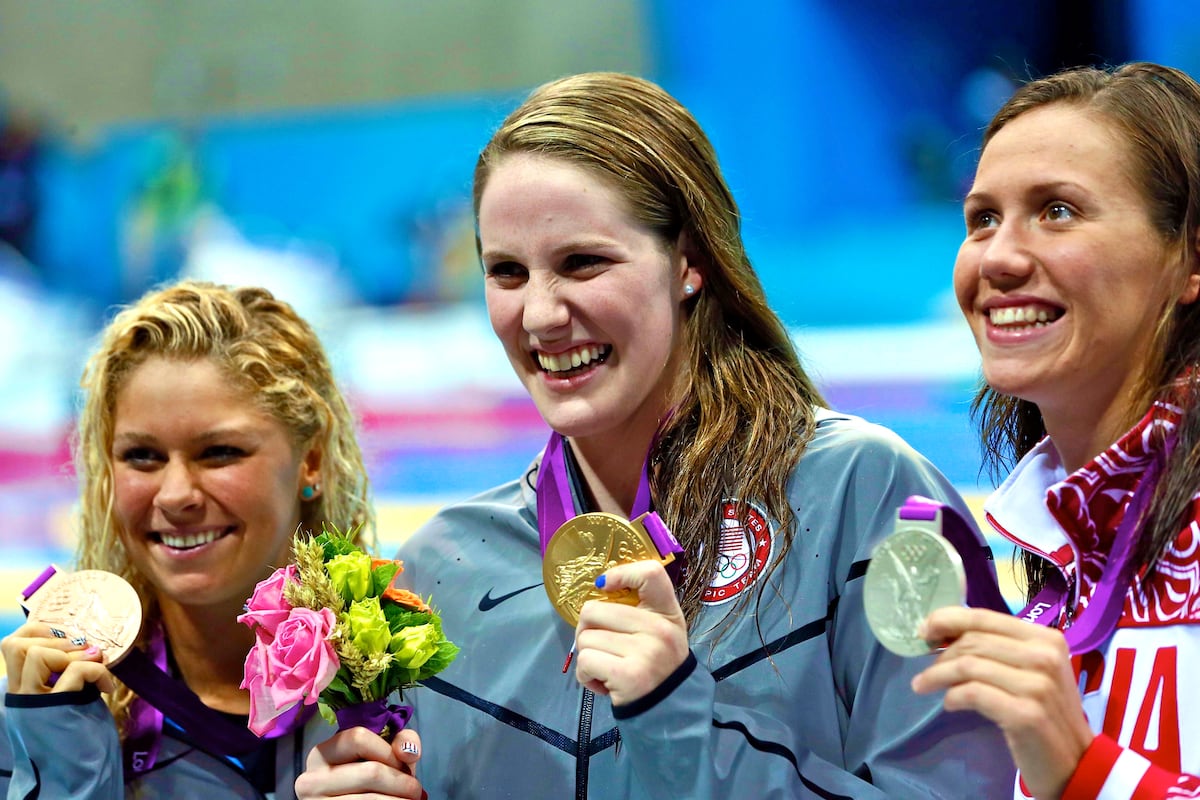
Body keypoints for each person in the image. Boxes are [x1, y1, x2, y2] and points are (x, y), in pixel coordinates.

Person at [305, 71, 1015, 798]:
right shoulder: (445, 569)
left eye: (583, 263)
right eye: (507, 273)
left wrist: (673, 716)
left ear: (690, 262)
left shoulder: (861, 497)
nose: (541, 314)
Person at [0, 281, 424, 798]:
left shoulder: (411, 695)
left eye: (219, 452)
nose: (176, 495)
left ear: (309, 462)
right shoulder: (38, 713)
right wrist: (63, 766)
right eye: (142, 457)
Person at [912, 61, 1200, 799]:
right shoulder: (1053, 545)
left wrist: (1083, 772)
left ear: (1190, 257)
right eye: (982, 218)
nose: (999, 258)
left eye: (1057, 211)